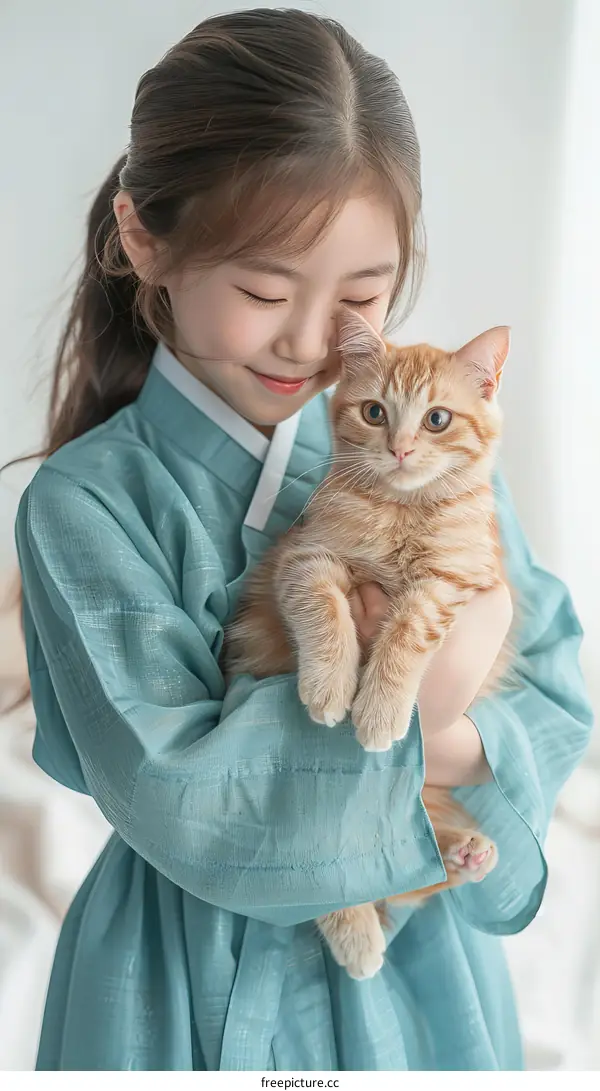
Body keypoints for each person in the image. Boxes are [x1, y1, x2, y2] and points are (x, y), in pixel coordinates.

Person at [14, 8, 592, 1072]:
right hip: (180, 975)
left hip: (428, 964)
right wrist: (428, 709)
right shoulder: (84, 503)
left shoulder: (440, 457)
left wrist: (452, 737)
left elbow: (558, 686)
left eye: (363, 294)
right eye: (264, 290)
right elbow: (181, 794)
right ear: (145, 237)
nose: (312, 338)